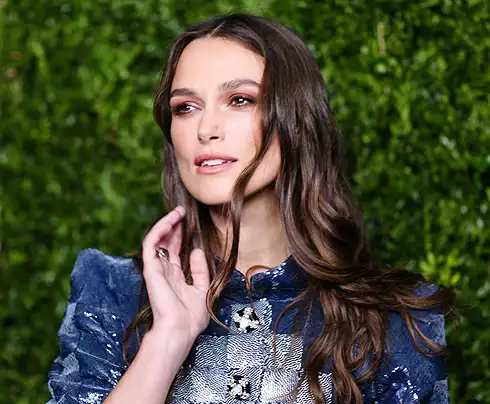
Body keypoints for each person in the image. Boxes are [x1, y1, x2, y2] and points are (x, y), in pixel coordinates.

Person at [47, 13, 452, 404]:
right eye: (185, 107)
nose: (206, 129)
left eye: (240, 100)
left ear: (296, 118)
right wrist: (168, 338)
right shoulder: (113, 292)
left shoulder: (395, 318)